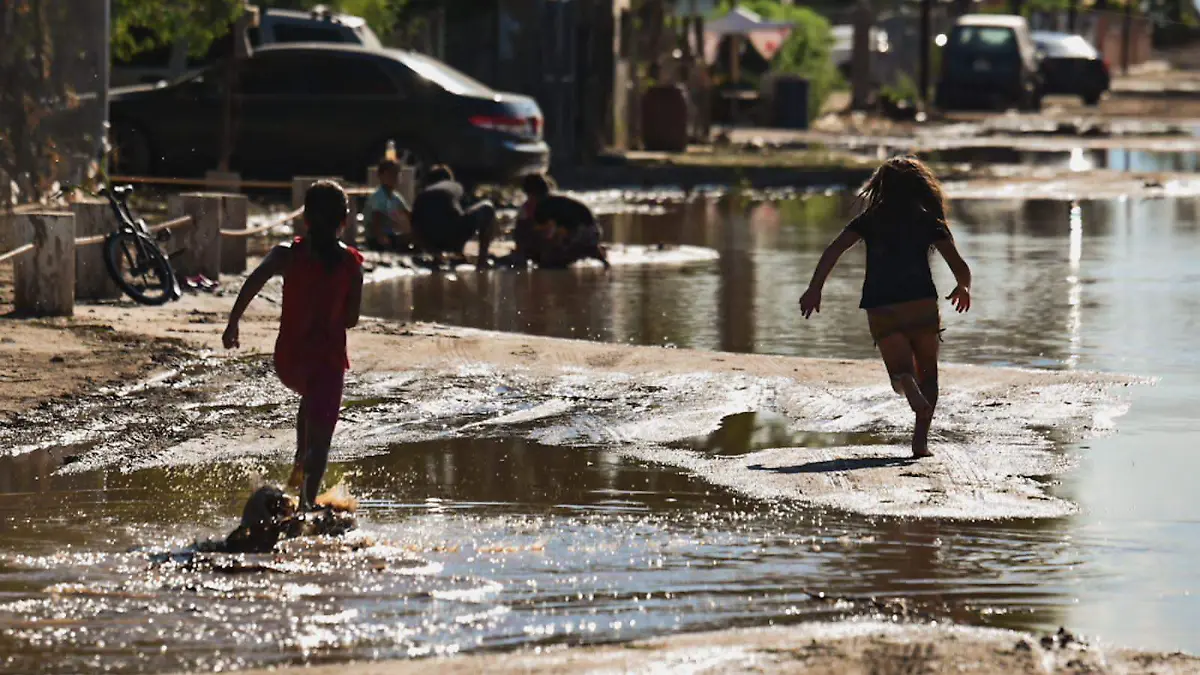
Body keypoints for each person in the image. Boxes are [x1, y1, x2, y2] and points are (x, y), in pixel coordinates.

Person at [798, 157, 972, 458]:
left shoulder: (871, 219)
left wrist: (815, 288)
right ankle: (920, 443)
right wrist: (963, 287)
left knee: (900, 373)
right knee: (929, 374)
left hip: (882, 306)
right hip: (921, 304)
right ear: (920, 187)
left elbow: (834, 249)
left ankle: (906, 382)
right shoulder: (928, 220)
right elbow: (958, 265)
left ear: (881, 187)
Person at [223, 180, 364, 509]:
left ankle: (299, 464)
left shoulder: (286, 255)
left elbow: (253, 281)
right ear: (344, 221)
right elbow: (351, 320)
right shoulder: (351, 266)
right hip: (327, 362)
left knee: (310, 400)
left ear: (305, 219)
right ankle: (307, 504)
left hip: (290, 360)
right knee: (322, 444)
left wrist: (233, 322)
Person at [410, 164, 495, 270]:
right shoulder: (455, 187)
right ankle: (482, 262)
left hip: (430, 242)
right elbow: (463, 213)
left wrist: (431, 250)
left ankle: (439, 257)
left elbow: (414, 225)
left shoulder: (421, 196)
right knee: (487, 207)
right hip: (452, 237)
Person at [518, 172, 609, 270]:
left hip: (582, 233)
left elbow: (547, 234)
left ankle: (584, 251)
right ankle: (591, 251)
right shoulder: (554, 201)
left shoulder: (543, 206)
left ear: (531, 194)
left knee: (550, 261)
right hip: (593, 232)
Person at [362, 158, 412, 252]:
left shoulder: (395, 196)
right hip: (375, 237)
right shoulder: (378, 196)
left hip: (391, 234)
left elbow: (408, 213)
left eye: (396, 174)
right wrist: (381, 237)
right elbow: (376, 219)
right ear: (381, 176)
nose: (394, 177)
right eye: (391, 174)